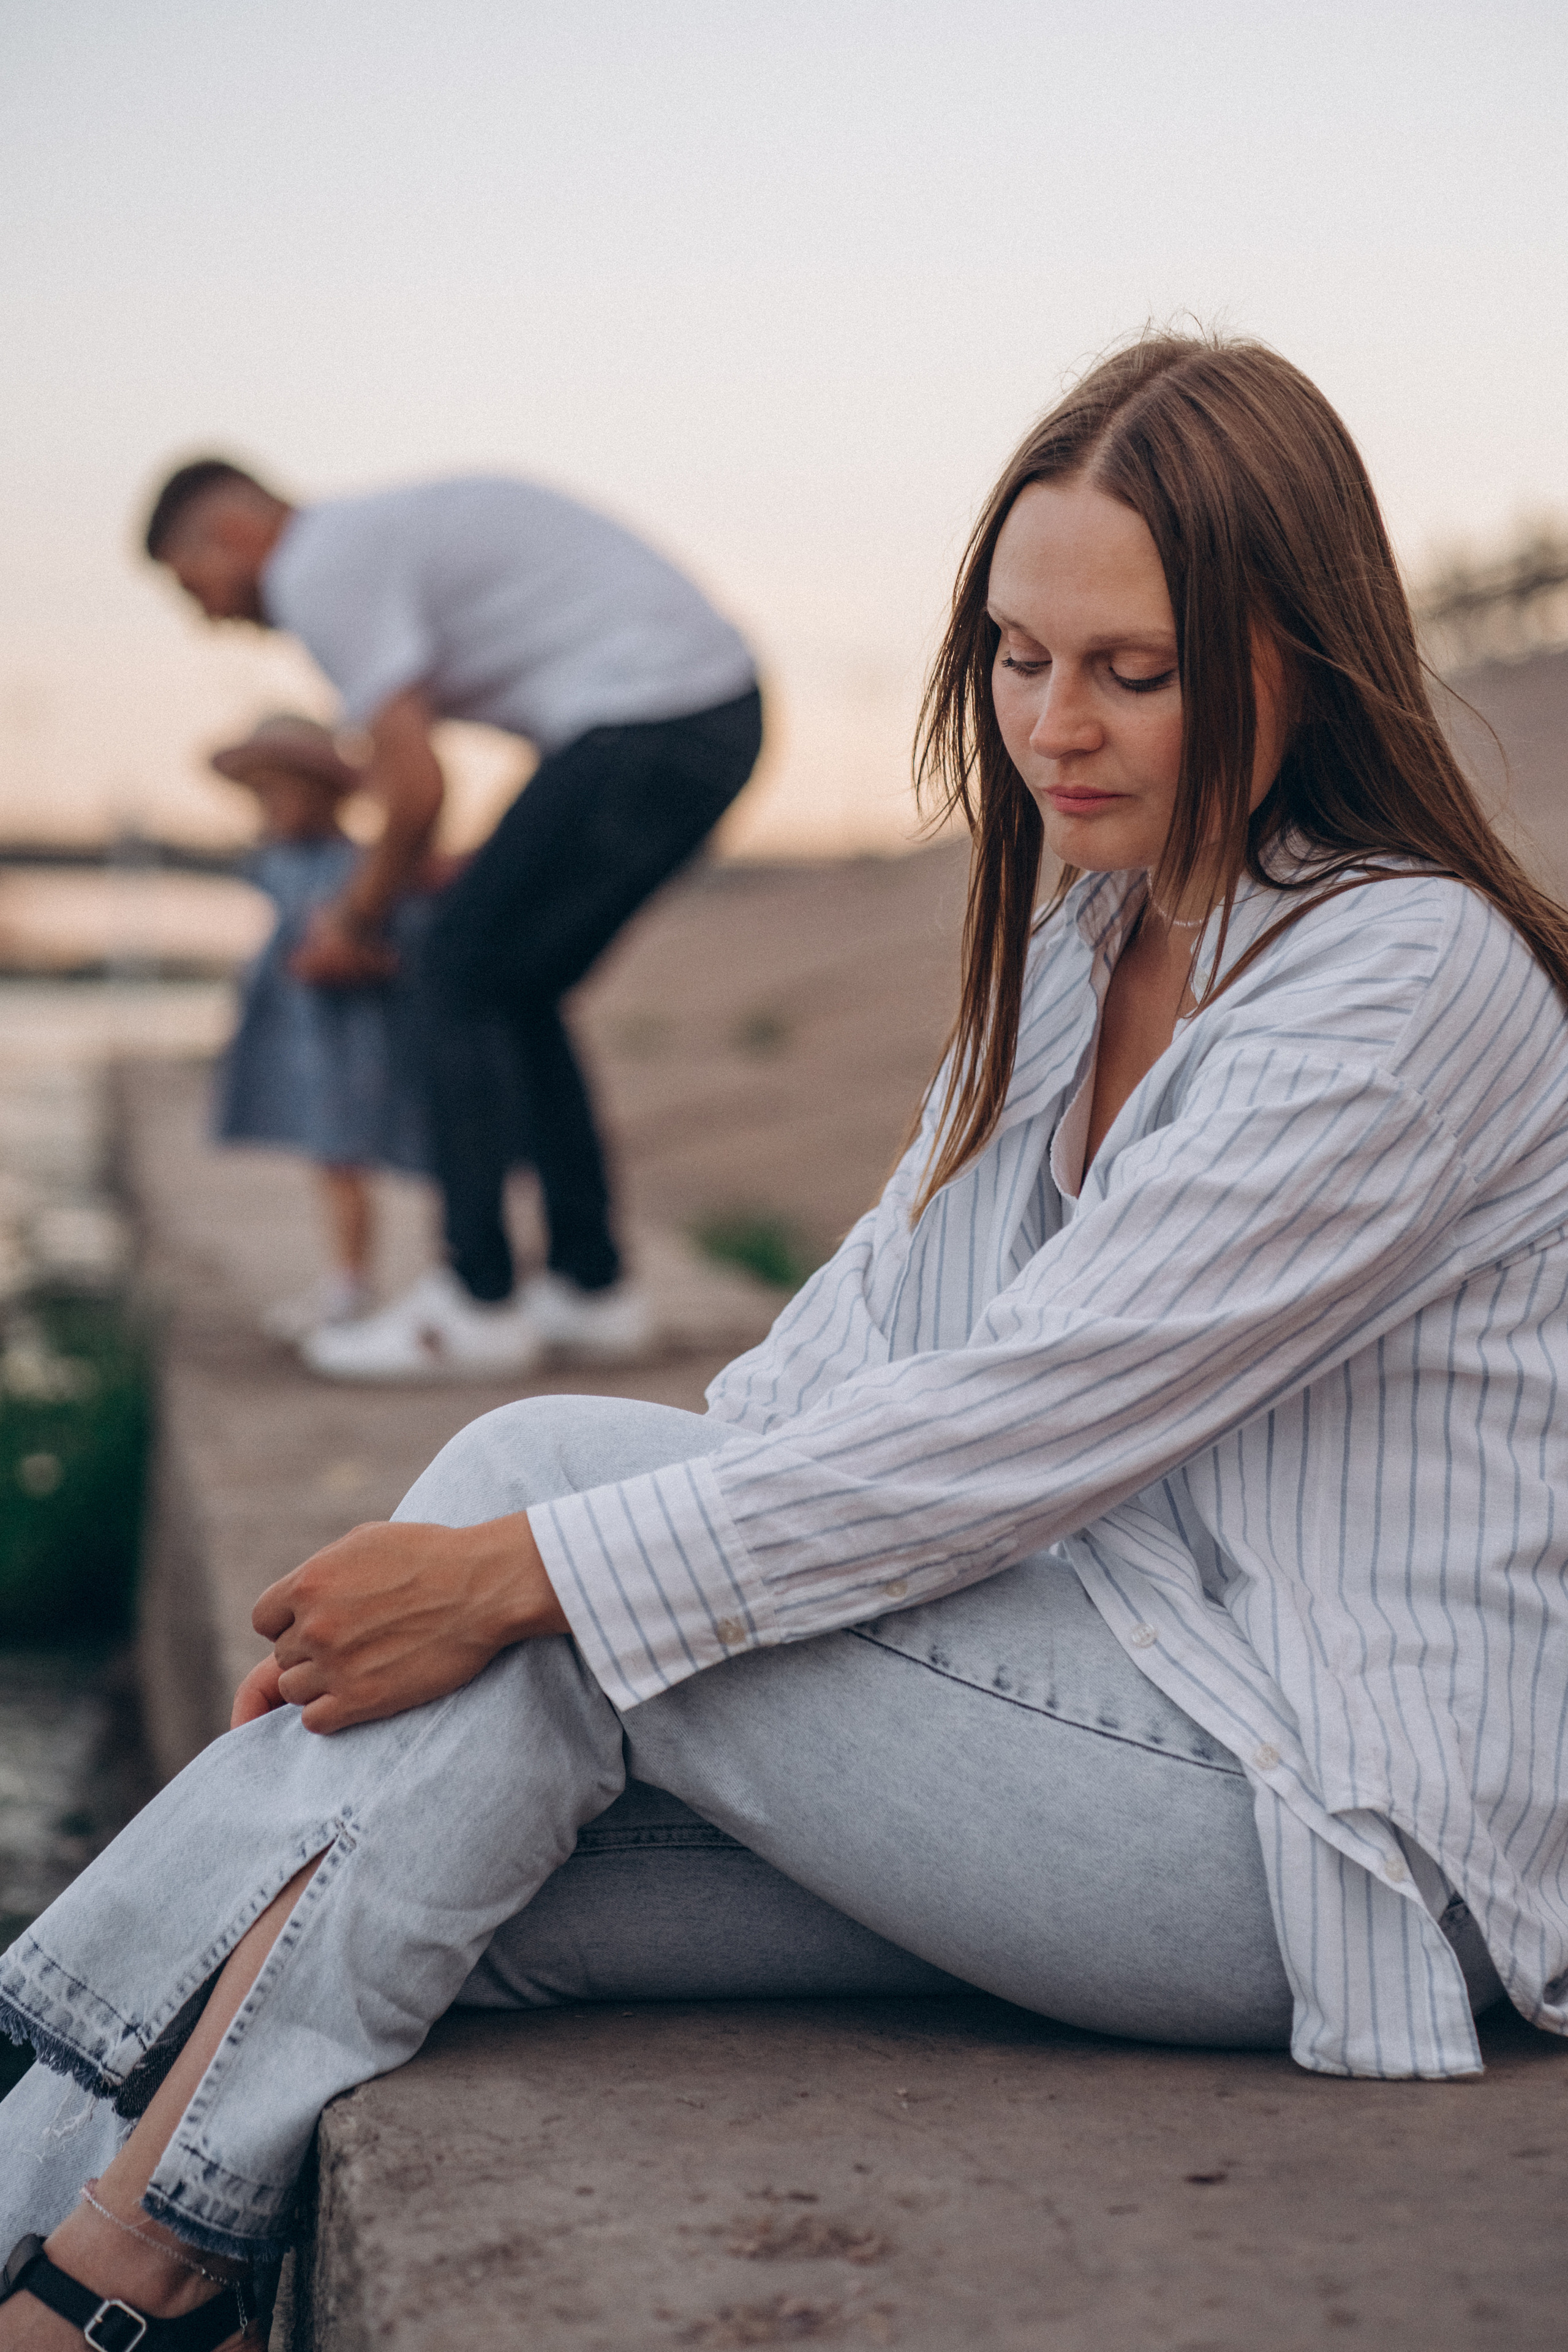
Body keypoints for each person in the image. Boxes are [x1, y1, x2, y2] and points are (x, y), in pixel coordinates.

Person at [7, 330, 1568, 2350]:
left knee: (532, 1514)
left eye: (1134, 668)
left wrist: (509, 1574)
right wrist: (418, 1655)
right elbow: (855, 1344)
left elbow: (1018, 1425)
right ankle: (69, 2213)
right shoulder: (1089, 936)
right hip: (1111, 1730)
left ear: (1300, 653)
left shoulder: (1402, 975)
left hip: (1348, 1836)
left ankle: (120, 2271)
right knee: (438, 1865)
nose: (1055, 727)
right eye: (1017, 656)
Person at [141, 463, 763, 1381]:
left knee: (450, 970)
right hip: (704, 715)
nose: (210, 616)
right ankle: (590, 1290)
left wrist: (354, 921)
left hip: (653, 714)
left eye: (194, 587)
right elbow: (422, 795)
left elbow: (417, 789)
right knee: (515, 983)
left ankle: (476, 1303)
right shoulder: (371, 539)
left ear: (229, 533)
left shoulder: (316, 567)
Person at [208, 713, 529, 1344]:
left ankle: (461, 1273)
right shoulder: (274, 863)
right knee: (335, 1162)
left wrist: (351, 957)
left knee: (426, 1149)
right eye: (261, 796)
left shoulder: (364, 867)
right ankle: (348, 1281)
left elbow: (409, 944)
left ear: (327, 793)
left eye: (283, 792)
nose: (272, 809)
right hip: (309, 1043)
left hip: (367, 1042)